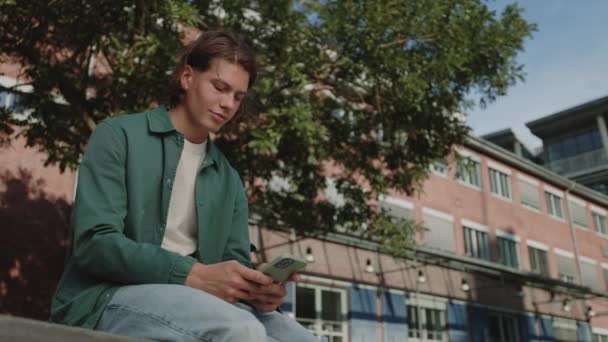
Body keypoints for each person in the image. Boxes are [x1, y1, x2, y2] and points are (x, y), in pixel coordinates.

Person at [50, 30, 318, 342]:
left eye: (238, 97)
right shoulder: (118, 135)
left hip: (202, 304)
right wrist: (193, 274)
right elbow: (94, 245)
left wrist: (256, 291)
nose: (228, 104)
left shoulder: (228, 178)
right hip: (106, 297)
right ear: (187, 78)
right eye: (220, 87)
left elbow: (233, 266)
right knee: (240, 331)